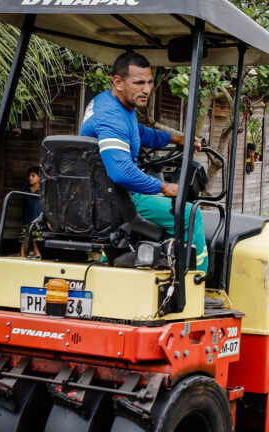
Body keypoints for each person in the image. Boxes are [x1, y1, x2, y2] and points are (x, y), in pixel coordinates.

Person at [80, 52, 206, 273]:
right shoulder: (112, 117)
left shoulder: (107, 102)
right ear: (118, 82)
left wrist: (175, 138)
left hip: (99, 196)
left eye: (149, 82)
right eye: (139, 83)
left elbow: (137, 132)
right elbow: (121, 172)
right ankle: (196, 283)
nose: (146, 90)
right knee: (189, 214)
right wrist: (165, 186)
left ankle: (145, 262)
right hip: (118, 199)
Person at [20, 166, 43, 257]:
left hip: (38, 222)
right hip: (26, 220)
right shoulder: (25, 189)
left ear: (39, 178)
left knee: (36, 242)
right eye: (29, 176)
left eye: (33, 176)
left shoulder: (43, 190)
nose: (30, 178)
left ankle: (39, 261)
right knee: (23, 241)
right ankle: (21, 261)